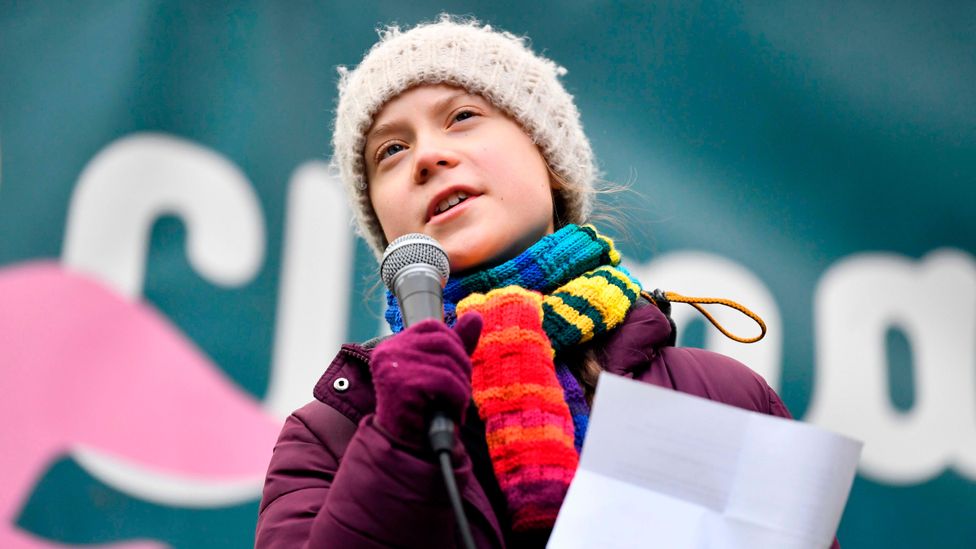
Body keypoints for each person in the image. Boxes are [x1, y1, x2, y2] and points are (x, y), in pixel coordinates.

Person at [255, 16, 836, 548]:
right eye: (390, 150)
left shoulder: (722, 396)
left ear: (549, 158)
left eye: (462, 117)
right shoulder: (331, 433)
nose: (427, 156)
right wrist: (397, 447)